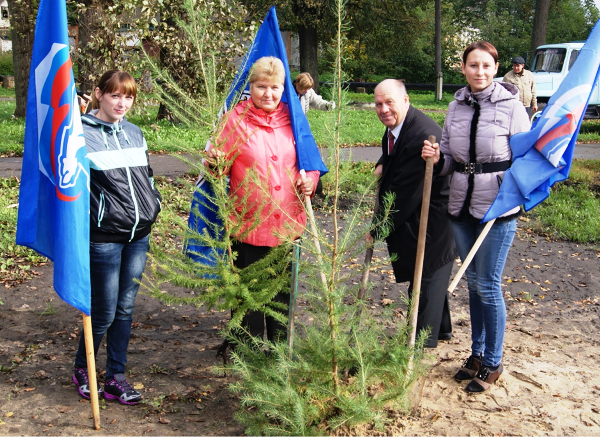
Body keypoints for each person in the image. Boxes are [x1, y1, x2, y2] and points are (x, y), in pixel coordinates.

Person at [422, 42, 530, 393]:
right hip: (460, 206)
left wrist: (512, 189)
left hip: (497, 208)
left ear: (496, 68)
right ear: (464, 68)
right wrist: (438, 158)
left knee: (487, 284)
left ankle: (494, 361)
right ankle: (478, 354)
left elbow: (527, 160)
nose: (479, 72)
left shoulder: (513, 108)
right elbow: (451, 158)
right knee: (472, 284)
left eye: (486, 65)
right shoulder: (455, 107)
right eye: (473, 65)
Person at [207, 57, 319, 342]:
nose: (268, 94)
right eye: (261, 87)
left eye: (275, 87)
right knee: (250, 298)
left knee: (282, 297)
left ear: (284, 89)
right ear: (251, 87)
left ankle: (280, 355)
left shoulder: (294, 119)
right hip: (248, 227)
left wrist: (311, 180)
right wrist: (215, 163)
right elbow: (217, 171)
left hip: (288, 225)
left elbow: (310, 162)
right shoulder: (234, 120)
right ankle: (248, 354)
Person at [73, 70, 162, 405]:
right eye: (115, 95)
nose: (122, 102)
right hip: (104, 237)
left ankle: (116, 377)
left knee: (125, 308)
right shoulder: (79, 133)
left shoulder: (135, 133)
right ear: (98, 94)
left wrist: (154, 203)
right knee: (104, 310)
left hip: (138, 234)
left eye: (128, 96)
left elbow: (146, 178)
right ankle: (84, 369)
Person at [369, 79, 456, 349]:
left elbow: (403, 195)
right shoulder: (396, 126)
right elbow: (394, 154)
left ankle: (420, 343)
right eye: (379, 104)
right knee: (430, 273)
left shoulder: (422, 135)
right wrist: (383, 162)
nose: (383, 109)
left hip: (434, 219)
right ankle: (441, 329)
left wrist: (376, 228)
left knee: (426, 275)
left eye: (389, 102)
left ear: (406, 101)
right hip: (421, 213)